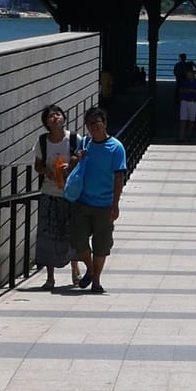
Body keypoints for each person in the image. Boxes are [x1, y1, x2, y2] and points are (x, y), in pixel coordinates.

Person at [66, 105, 128, 292]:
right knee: (79, 241)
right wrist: (77, 158)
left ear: (104, 124)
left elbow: (119, 177)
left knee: (101, 244)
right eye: (89, 124)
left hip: (104, 204)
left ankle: (96, 280)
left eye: (96, 123)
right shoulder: (85, 143)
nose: (93, 127)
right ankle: (91, 269)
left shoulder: (116, 147)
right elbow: (72, 167)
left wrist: (115, 205)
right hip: (83, 201)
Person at [32, 103, 80, 292]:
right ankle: (50, 277)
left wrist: (72, 165)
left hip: (71, 194)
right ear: (46, 122)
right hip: (50, 193)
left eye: (58, 114)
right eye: (51, 116)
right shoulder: (43, 142)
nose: (56, 117)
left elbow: (84, 159)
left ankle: (75, 268)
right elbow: (37, 165)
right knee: (48, 235)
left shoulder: (75, 139)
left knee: (73, 233)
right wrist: (47, 171)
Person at [176, 56, 196, 140]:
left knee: (191, 120)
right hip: (185, 101)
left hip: (193, 101)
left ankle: (188, 136)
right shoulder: (184, 80)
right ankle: (181, 136)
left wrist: (193, 91)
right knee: (183, 119)